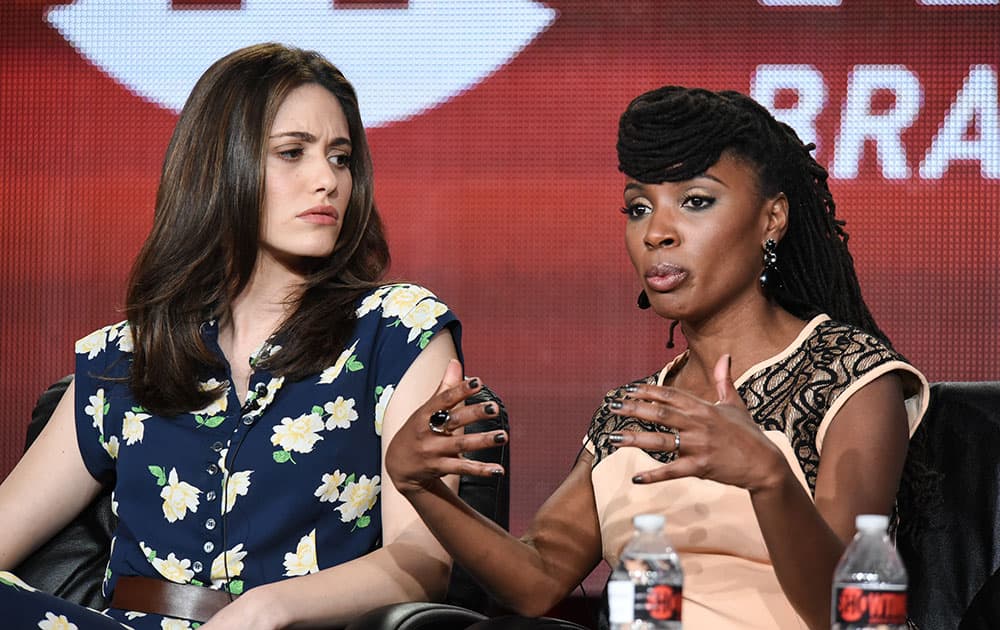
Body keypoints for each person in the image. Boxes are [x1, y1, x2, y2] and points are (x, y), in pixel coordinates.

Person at [385, 86, 929, 630]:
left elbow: (850, 611)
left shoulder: (849, 374)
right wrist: (419, 486)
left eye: (696, 201)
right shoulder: (633, 411)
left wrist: (769, 480)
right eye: (639, 208)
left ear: (773, 218)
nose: (657, 233)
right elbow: (539, 578)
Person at [0, 43, 469, 629]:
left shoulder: (399, 329)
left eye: (341, 158)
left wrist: (268, 608)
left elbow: (423, 559)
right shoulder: (127, 355)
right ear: (220, 165)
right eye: (293, 153)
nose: (327, 180)